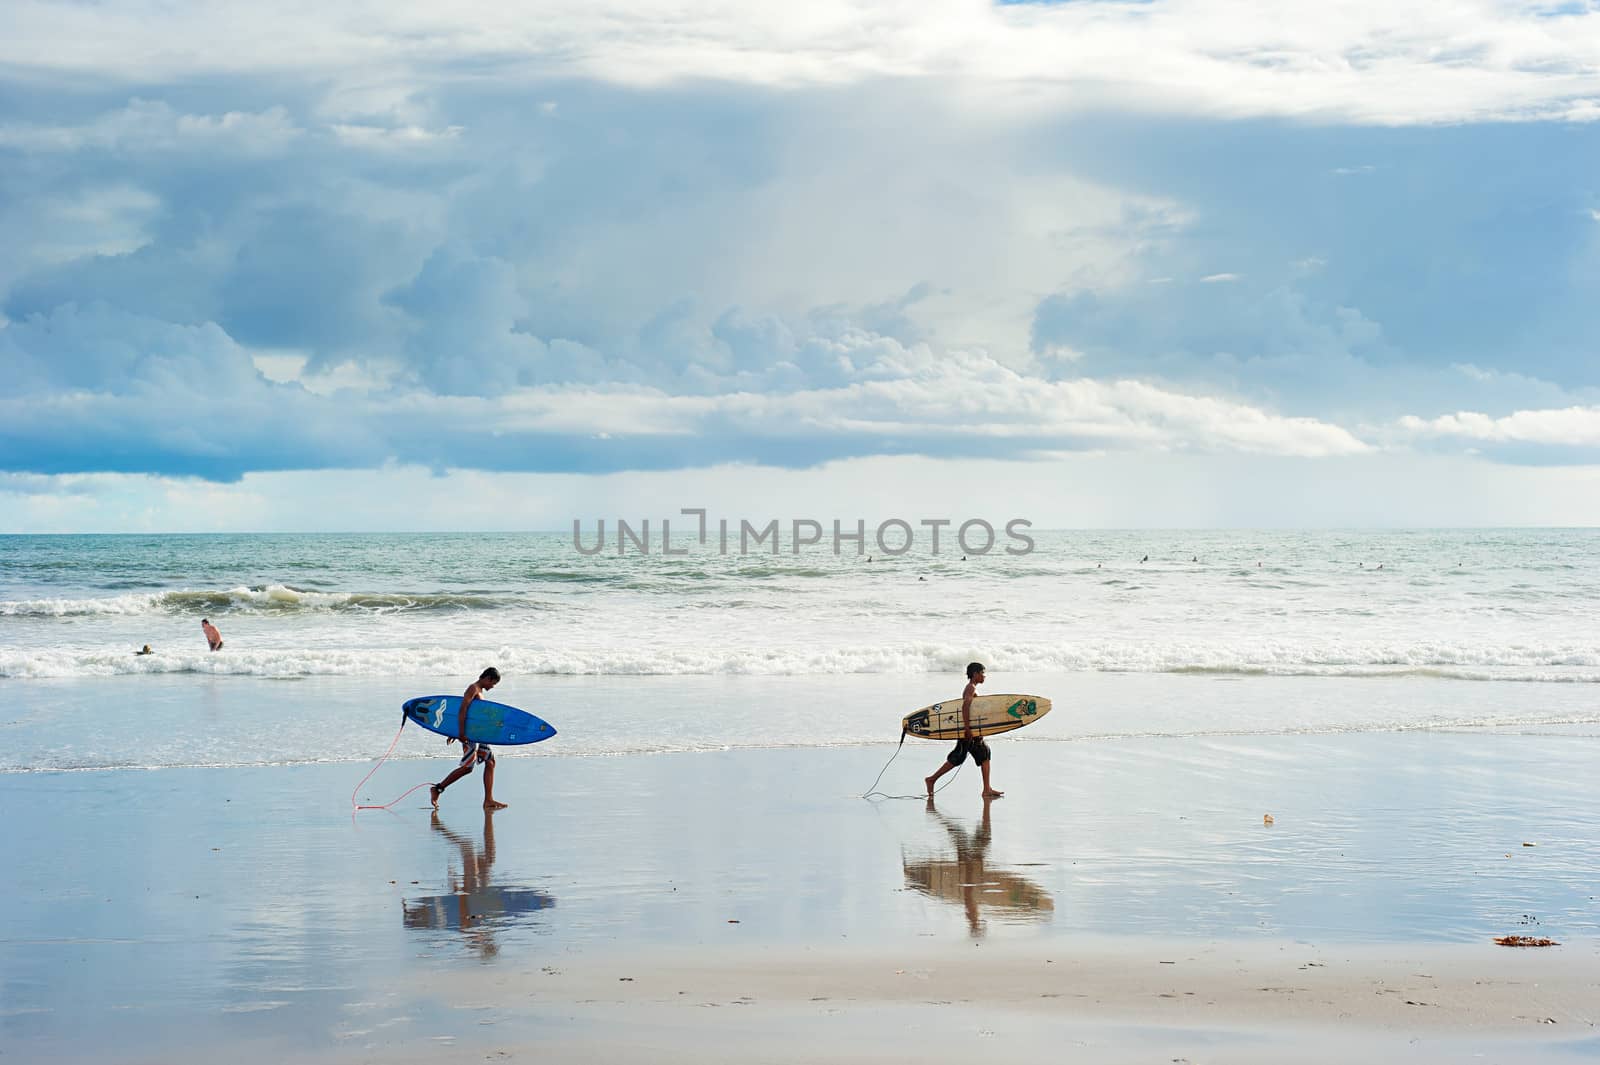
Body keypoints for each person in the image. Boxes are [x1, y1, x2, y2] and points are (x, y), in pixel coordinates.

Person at [431, 668, 508, 810]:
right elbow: (462, 710)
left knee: (490, 762)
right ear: (488, 678)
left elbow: (474, 715)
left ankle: (488, 800)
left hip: (479, 733)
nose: (493, 686)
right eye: (493, 683)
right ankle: (438, 788)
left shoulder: (480, 691)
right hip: (469, 734)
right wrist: (458, 732)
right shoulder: (473, 688)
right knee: (468, 768)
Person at [925, 662, 1002, 799]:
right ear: (975, 674)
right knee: (958, 757)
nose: (984, 676)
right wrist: (967, 729)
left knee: (983, 754)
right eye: (983, 673)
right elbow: (965, 707)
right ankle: (932, 779)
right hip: (968, 730)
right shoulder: (970, 688)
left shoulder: (971, 688)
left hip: (971, 730)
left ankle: (987, 789)